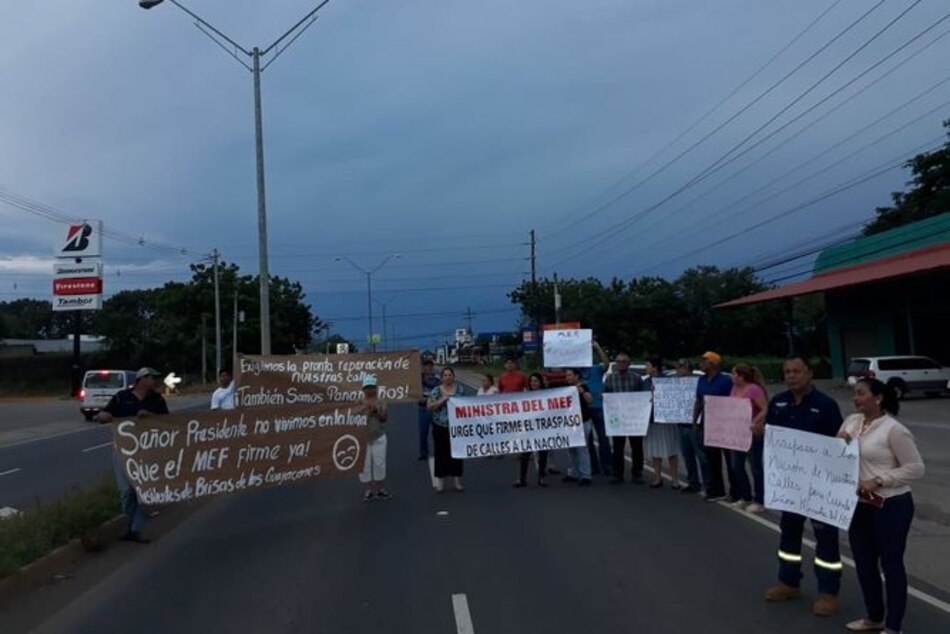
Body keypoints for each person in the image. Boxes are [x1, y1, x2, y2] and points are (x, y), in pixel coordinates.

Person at [838, 378, 924, 634]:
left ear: (878, 398)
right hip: (859, 505)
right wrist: (839, 441)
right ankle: (873, 616)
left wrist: (879, 480)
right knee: (864, 563)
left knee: (891, 563)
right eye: (855, 393)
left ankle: (893, 625)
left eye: (861, 393)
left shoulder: (894, 429)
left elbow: (916, 468)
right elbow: (837, 455)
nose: (856, 398)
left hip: (891, 504)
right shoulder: (851, 422)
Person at [764, 355, 845, 618]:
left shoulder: (825, 405)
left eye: (796, 371)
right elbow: (772, 439)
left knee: (826, 542)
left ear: (809, 374)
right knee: (788, 535)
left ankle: (828, 593)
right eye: (787, 371)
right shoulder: (778, 402)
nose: (791, 376)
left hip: (820, 488)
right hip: (789, 486)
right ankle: (788, 582)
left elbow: (839, 445)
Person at [96, 367, 169, 544]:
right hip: (124, 451)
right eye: (152, 378)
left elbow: (168, 422)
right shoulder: (122, 397)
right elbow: (104, 415)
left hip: (147, 450)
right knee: (126, 492)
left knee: (143, 490)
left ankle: (136, 529)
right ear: (142, 379)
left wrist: (150, 416)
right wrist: (103, 416)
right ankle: (131, 525)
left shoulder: (157, 399)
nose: (155, 382)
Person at [693, 351, 733, 501]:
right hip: (708, 424)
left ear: (713, 363)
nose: (701, 364)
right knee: (712, 459)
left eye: (704, 361)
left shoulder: (726, 380)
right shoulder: (701, 380)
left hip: (726, 424)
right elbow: (699, 401)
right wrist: (695, 421)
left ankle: (736, 492)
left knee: (730, 460)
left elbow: (734, 402)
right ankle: (717, 490)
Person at [730, 363, 768, 512]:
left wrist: (755, 421)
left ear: (741, 376)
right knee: (736, 465)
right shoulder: (734, 389)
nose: (732, 377)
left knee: (755, 466)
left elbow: (765, 408)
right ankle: (745, 496)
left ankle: (759, 500)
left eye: (734, 374)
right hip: (736, 432)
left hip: (752, 433)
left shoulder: (753, 389)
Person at [603, 351, 645, 484]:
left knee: (637, 447)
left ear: (629, 363)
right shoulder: (610, 379)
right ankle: (618, 474)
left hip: (633, 418)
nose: (621, 364)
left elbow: (643, 397)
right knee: (617, 447)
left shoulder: (637, 378)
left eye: (624, 361)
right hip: (618, 419)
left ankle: (637, 473)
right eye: (619, 361)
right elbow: (606, 396)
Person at [643, 356, 680, 488]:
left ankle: (675, 479)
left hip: (666, 420)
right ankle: (657, 477)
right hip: (651, 420)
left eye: (648, 365)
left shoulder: (667, 380)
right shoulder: (646, 382)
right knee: (655, 451)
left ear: (655, 367)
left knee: (671, 450)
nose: (646, 368)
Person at [427, 367, 465, 492]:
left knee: (456, 453)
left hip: (456, 426)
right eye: (445, 375)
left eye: (450, 375)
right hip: (440, 426)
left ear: (453, 377)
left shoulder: (459, 390)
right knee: (440, 453)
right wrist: (443, 399)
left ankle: (457, 481)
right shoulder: (436, 391)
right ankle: (440, 482)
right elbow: (429, 407)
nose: (448, 377)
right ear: (442, 377)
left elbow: (466, 405)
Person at [358, 375, 392, 502]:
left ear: (376, 388)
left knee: (380, 463)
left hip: (378, 436)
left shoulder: (381, 401)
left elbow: (384, 419)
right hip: (363, 438)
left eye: (372, 387)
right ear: (363, 389)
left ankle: (379, 489)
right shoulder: (359, 402)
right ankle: (368, 490)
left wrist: (375, 411)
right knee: (364, 466)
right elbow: (352, 419)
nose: (370, 390)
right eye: (367, 387)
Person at [514, 373, 550, 488]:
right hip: (529, 429)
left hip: (542, 428)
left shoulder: (547, 395)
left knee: (543, 454)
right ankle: (522, 479)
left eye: (536, 381)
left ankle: (541, 478)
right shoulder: (526, 396)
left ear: (540, 382)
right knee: (525, 454)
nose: (533, 383)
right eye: (532, 381)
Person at [675, 359, 705, 494]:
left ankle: (708, 483)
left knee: (701, 456)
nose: (679, 370)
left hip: (695, 426)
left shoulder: (697, 383)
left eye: (682, 368)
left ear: (689, 370)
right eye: (678, 368)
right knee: (687, 456)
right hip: (681, 425)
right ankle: (693, 482)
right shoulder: (673, 384)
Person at [584, 341, 613, 477]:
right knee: (587, 440)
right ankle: (593, 466)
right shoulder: (575, 372)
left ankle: (607, 465)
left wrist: (597, 347)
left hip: (598, 407)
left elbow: (606, 364)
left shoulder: (595, 368)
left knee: (603, 438)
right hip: (583, 409)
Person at [563, 368, 593, 486]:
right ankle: (574, 473)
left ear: (576, 376)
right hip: (570, 422)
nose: (568, 378)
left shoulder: (583, 387)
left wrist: (582, 392)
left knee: (582, 448)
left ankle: (585, 475)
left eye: (570, 375)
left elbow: (590, 400)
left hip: (583, 421)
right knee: (572, 449)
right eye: (566, 375)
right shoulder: (566, 389)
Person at [418, 358, 440, 461]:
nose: (428, 368)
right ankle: (423, 453)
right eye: (426, 366)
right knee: (423, 432)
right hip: (423, 408)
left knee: (437, 432)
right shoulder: (418, 379)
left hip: (435, 408)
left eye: (430, 366)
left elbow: (437, 389)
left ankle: (439, 452)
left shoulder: (437, 378)